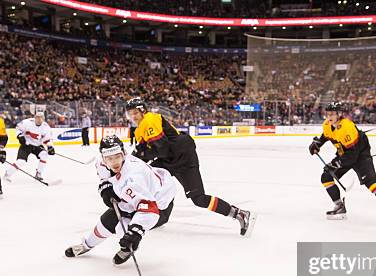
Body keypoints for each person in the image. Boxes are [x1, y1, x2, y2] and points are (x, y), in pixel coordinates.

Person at [125, 97, 256, 236]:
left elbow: (162, 149)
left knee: (199, 198)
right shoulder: (139, 130)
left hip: (183, 158)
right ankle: (160, 217)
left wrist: (142, 153)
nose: (133, 117)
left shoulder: (150, 120)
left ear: (142, 111)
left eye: (135, 113)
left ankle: (240, 214)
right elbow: (141, 156)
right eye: (130, 114)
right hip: (168, 159)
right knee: (151, 180)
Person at [65, 136, 176, 265]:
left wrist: (136, 232)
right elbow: (104, 178)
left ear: (124, 154)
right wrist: (105, 187)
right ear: (103, 158)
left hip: (159, 205)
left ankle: (127, 248)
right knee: (108, 220)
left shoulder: (133, 177)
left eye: (117, 156)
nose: (114, 162)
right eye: (109, 158)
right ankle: (86, 245)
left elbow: (149, 209)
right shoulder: (101, 163)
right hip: (139, 196)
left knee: (123, 230)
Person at [309, 102, 376, 223]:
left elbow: (352, 154)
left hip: (360, 155)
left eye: (332, 114)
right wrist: (317, 144)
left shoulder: (347, 127)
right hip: (345, 154)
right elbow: (326, 136)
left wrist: (336, 164)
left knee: (371, 183)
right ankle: (339, 206)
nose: (329, 116)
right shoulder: (327, 124)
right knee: (326, 177)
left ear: (339, 114)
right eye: (328, 114)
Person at [4, 112, 54, 181]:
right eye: (37, 117)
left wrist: (50, 147)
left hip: (37, 145)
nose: (39, 119)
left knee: (44, 155)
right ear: (34, 117)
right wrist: (20, 136)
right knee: (21, 162)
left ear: (43, 119)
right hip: (26, 145)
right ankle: (7, 174)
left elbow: (47, 139)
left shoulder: (46, 127)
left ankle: (38, 173)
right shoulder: (27, 122)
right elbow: (18, 128)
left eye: (41, 117)